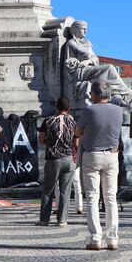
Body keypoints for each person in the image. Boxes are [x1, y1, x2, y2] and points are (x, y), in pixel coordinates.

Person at [76, 81, 122, 251]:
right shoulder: (118, 111)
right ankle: (112, 239)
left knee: (92, 197)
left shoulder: (89, 110)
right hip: (112, 155)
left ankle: (95, 238)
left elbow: (77, 132)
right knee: (110, 198)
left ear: (96, 94)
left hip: (92, 155)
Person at [65, 20, 132, 105]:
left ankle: (119, 96)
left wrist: (88, 61)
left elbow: (95, 58)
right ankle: (128, 93)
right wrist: (88, 49)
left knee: (107, 78)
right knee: (109, 68)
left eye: (86, 29)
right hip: (79, 72)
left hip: (88, 68)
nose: (86, 31)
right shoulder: (71, 42)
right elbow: (84, 54)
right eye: (83, 29)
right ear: (75, 29)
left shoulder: (86, 43)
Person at [36, 97, 76, 227]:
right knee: (65, 191)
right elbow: (76, 143)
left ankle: (44, 219)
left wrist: (52, 141)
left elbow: (41, 139)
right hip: (68, 158)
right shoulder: (72, 123)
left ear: (56, 108)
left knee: (48, 190)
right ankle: (62, 220)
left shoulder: (48, 121)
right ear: (68, 108)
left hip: (53, 159)